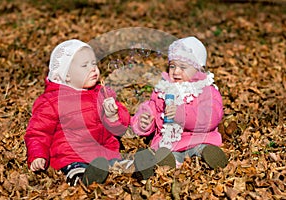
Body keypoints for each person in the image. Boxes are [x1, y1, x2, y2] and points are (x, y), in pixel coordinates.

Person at [24, 39, 130, 186]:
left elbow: (121, 127)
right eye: (84, 66)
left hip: (105, 152)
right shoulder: (53, 101)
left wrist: (113, 116)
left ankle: (135, 171)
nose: (93, 69)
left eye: (93, 63)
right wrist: (38, 155)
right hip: (72, 155)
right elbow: (38, 132)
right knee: (77, 169)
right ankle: (82, 178)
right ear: (66, 75)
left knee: (120, 164)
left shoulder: (102, 93)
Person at [131, 36, 228, 178]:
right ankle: (160, 164)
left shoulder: (205, 91)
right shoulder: (163, 90)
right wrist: (144, 121)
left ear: (198, 69)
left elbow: (211, 116)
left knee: (201, 148)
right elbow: (151, 109)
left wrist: (182, 114)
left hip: (198, 138)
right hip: (169, 143)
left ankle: (209, 156)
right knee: (166, 154)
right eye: (172, 66)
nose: (176, 72)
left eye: (183, 67)